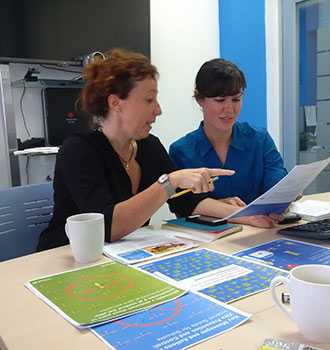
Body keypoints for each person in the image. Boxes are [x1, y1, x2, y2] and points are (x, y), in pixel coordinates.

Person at [37, 49, 274, 252]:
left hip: (118, 257)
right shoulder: (78, 151)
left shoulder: (149, 147)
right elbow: (107, 227)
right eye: (149, 100)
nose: (158, 110)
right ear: (115, 103)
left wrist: (245, 215)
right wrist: (168, 182)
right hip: (64, 259)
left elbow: (186, 201)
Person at [169, 58, 287, 206]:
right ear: (200, 99)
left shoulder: (260, 139)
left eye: (236, 99)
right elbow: (181, 207)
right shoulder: (181, 151)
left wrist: (289, 192)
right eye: (220, 100)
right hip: (207, 229)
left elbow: (279, 188)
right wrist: (219, 207)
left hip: (261, 227)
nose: (230, 109)